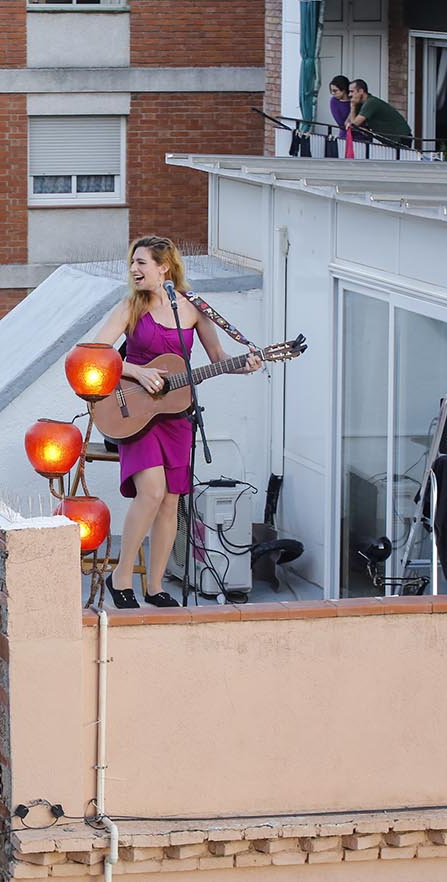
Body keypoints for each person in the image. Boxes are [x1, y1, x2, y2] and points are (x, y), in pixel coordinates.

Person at [91, 236, 261, 609]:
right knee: (151, 492)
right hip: (135, 415)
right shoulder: (129, 308)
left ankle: (154, 587)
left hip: (176, 416)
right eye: (132, 263)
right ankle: (120, 576)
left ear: (164, 267)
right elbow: (94, 354)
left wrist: (244, 365)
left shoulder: (195, 308)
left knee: (170, 501)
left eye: (142, 263)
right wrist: (134, 371)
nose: (134, 270)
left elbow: (218, 357)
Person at [346, 78, 412, 145]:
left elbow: (354, 125)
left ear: (361, 91)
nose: (349, 95)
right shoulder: (361, 103)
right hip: (389, 139)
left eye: (352, 91)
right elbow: (347, 124)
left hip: (400, 137)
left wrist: (353, 106)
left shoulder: (371, 102)